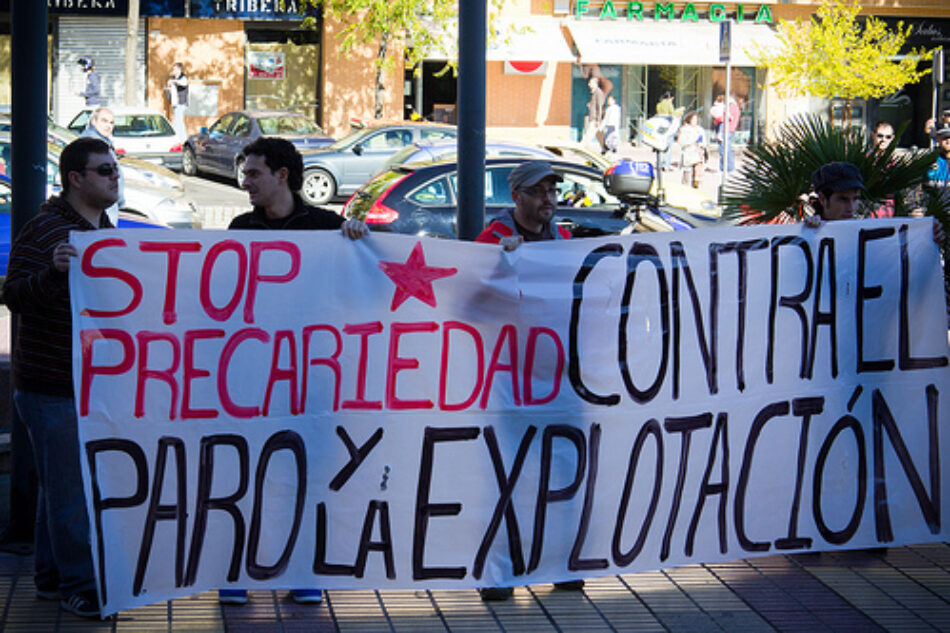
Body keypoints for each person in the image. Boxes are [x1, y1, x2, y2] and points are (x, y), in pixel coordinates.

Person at [219, 136, 368, 606]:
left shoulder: (329, 227)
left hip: (312, 378)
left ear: (282, 175)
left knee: (305, 473)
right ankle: (237, 569)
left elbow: (359, 290)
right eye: (246, 174)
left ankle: (304, 569)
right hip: (252, 378)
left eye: (254, 174)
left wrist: (360, 245)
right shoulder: (240, 229)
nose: (246, 183)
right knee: (246, 471)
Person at [2, 137, 121, 619]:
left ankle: (52, 579)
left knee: (60, 487)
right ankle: (82, 586)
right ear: (76, 178)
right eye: (104, 171)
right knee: (73, 493)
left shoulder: (100, 227)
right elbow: (13, 294)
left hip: (79, 384)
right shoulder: (46, 228)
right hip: (52, 387)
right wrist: (52, 274)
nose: (114, 177)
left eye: (115, 169)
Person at [80, 107, 123, 226]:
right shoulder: (92, 145)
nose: (108, 126)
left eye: (111, 122)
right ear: (94, 121)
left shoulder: (104, 143)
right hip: (101, 208)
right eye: (104, 121)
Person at [710, 94, 740, 173]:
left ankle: (728, 168)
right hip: (728, 129)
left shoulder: (732, 107)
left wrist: (717, 120)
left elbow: (726, 118)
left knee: (725, 149)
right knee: (723, 148)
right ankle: (723, 167)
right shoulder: (732, 107)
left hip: (727, 129)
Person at [677, 111, 705, 188]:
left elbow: (704, 141)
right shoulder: (684, 129)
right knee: (687, 173)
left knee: (697, 173)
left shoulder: (700, 130)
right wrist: (692, 140)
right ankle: (685, 188)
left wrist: (702, 144)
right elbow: (681, 142)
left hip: (698, 153)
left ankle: (695, 187)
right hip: (688, 153)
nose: (695, 121)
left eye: (696, 120)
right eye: (693, 119)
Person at [166, 62, 189, 140]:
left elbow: (184, 83)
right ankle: (182, 139)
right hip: (175, 103)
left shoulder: (183, 77)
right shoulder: (174, 79)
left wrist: (174, 81)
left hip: (181, 103)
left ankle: (180, 139)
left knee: (177, 122)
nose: (173, 70)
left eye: (174, 69)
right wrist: (169, 88)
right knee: (179, 122)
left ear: (179, 69)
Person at [584, 77, 605, 152]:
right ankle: (604, 148)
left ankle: (584, 148)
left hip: (595, 118)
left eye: (590, 83)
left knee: (588, 134)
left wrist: (598, 120)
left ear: (595, 84)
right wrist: (590, 105)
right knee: (599, 135)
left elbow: (600, 106)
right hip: (594, 117)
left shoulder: (598, 93)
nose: (589, 84)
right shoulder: (593, 92)